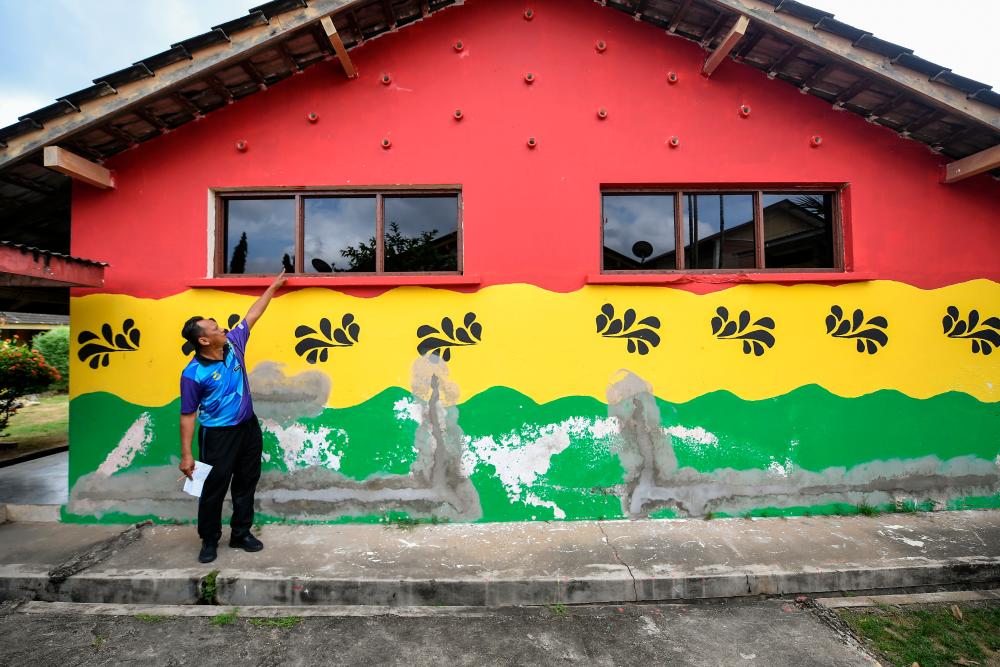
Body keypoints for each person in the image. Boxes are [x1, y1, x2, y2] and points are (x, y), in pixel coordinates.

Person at [179, 270, 286, 563]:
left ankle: (241, 534)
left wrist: (273, 287)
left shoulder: (234, 345)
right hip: (217, 434)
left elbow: (253, 314)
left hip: (247, 428)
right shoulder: (193, 374)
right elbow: (188, 415)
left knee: (246, 482)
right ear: (203, 341)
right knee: (213, 488)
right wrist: (187, 455)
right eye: (215, 328)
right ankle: (209, 540)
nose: (222, 329)